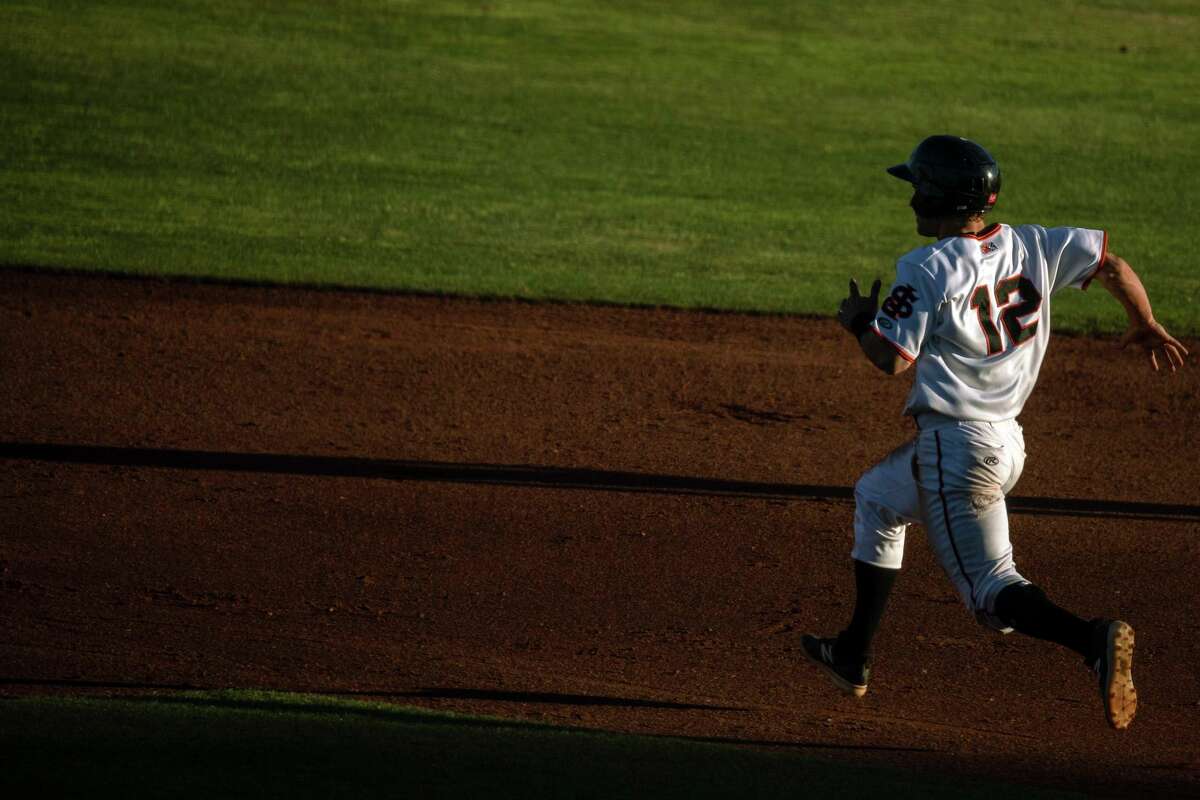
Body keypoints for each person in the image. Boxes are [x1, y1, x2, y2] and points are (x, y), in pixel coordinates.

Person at [801, 134, 1188, 730]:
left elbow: (892, 360)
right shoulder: (1034, 244)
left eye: (917, 188)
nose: (910, 201)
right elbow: (1110, 261)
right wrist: (1146, 321)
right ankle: (853, 653)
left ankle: (1091, 638)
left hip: (957, 452)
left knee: (991, 595)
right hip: (1005, 442)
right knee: (877, 497)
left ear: (937, 196)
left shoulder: (926, 267)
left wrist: (858, 323)